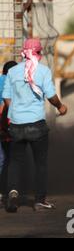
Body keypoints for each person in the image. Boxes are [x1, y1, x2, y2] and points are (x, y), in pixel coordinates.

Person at [2, 38, 68, 213]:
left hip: (16, 125)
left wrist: (15, 111)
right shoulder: (43, 71)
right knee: (40, 164)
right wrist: (60, 107)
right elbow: (51, 95)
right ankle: (39, 201)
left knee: (15, 162)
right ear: (38, 53)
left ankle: (13, 193)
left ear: (23, 52)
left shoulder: (13, 72)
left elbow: (7, 97)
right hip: (37, 125)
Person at [0, 61, 18, 208]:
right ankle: (9, 191)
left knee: (1, 159)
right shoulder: (15, 82)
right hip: (10, 124)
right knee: (11, 159)